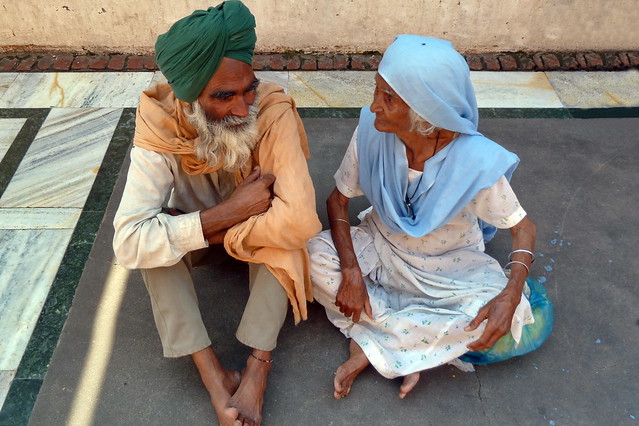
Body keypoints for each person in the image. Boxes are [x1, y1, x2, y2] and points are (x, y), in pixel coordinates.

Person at [112, 2, 321, 425]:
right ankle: (214, 375)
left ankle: (258, 366)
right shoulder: (159, 121)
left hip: (252, 236)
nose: (244, 109)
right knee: (151, 246)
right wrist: (227, 214)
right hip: (221, 230)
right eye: (224, 96)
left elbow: (298, 218)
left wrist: (215, 229)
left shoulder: (271, 110)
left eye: (249, 88)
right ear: (188, 99)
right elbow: (127, 243)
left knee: (287, 237)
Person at [308, 35, 549, 400]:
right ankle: (411, 343)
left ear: (426, 111)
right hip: (381, 247)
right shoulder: (371, 134)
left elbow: (523, 228)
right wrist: (353, 272)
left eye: (388, 98)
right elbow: (337, 202)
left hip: (449, 269)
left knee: (513, 318)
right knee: (311, 258)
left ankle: (371, 339)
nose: (374, 106)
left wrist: (511, 294)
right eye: (377, 90)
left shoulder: (475, 161)